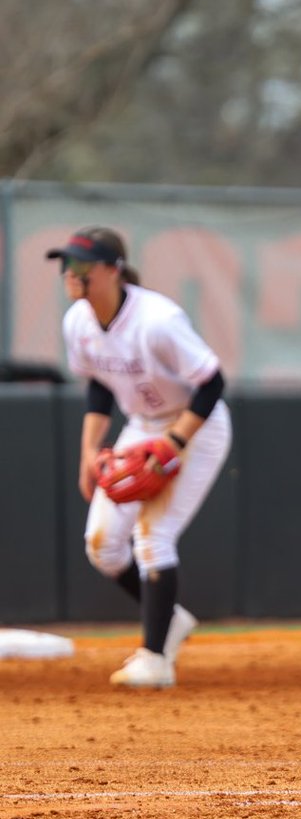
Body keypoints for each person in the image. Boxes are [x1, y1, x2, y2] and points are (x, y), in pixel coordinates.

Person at [48, 226, 231, 688]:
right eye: (67, 264)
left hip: (195, 426)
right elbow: (98, 384)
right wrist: (89, 450)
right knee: (103, 545)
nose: (71, 272)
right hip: (142, 425)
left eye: (82, 264)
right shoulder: (77, 322)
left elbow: (212, 382)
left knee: (153, 536)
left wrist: (174, 443)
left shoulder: (157, 320)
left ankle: (155, 659)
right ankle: (170, 618)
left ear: (113, 270)